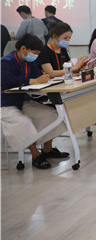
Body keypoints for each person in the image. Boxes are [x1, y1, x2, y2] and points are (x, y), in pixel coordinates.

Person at [1, 35, 69, 169]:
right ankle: (35, 155)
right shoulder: (6, 62)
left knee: (52, 115)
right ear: (23, 49)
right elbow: (7, 81)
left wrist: (44, 78)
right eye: (34, 53)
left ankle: (47, 149)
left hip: (22, 101)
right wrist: (33, 81)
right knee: (23, 123)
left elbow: (38, 76)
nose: (36, 56)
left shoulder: (29, 63)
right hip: (5, 103)